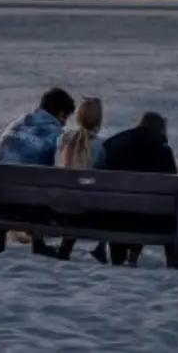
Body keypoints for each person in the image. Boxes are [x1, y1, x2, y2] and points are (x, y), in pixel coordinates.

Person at [0, 88, 75, 256]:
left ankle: (2, 238)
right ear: (61, 114)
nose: (64, 124)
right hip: (25, 205)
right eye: (65, 119)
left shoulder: (17, 122)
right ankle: (40, 242)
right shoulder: (55, 133)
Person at [98, 111, 178, 266]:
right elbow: (172, 183)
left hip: (112, 217)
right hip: (147, 220)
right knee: (149, 208)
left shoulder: (114, 143)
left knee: (122, 206)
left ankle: (118, 257)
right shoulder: (162, 150)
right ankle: (133, 256)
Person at [54, 98, 108, 263]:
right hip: (87, 214)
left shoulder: (62, 139)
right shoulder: (101, 146)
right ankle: (101, 247)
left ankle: (66, 246)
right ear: (99, 119)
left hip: (57, 208)